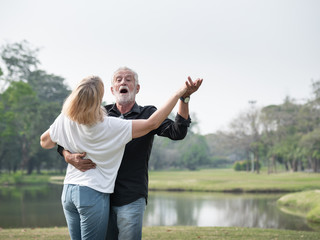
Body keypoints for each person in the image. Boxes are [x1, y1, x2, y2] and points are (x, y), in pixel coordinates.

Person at [40, 75, 198, 240]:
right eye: (118, 79)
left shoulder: (65, 118)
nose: (123, 82)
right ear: (101, 97)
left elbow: (45, 141)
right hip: (92, 193)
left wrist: (67, 152)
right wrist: (179, 93)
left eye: (128, 79)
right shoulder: (108, 124)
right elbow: (151, 123)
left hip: (69, 192)